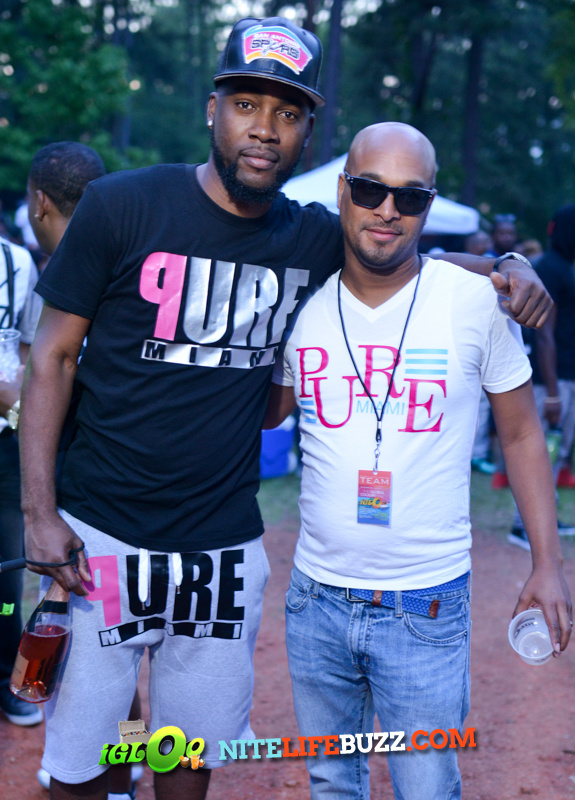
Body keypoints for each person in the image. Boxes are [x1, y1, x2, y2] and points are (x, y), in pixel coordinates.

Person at [19, 16, 553, 800]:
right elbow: (52, 357)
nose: (264, 128)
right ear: (213, 109)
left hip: (223, 546)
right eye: (246, 105)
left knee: (183, 754)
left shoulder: (307, 238)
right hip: (101, 533)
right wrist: (39, 513)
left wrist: (507, 264)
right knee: (84, 759)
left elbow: (408, 250)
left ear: (306, 132)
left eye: (288, 112)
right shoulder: (120, 206)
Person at [265, 122, 572, 800]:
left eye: (409, 197)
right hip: (315, 599)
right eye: (370, 189)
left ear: (428, 206)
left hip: (425, 603)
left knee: (427, 787)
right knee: (330, 781)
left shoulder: (473, 302)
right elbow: (266, 411)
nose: (387, 210)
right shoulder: (299, 304)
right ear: (342, 191)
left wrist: (547, 563)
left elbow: (522, 435)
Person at [509, 205, 575, 548]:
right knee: (541, 453)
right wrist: (551, 392)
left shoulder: (564, 266)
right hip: (550, 379)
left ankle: (545, 520)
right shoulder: (550, 268)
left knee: (556, 452)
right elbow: (544, 333)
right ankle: (522, 524)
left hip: (564, 376)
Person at [0, 235, 43, 727]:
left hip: (5, 442)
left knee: (7, 580)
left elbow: (30, 345)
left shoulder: (16, 262)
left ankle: (6, 679)